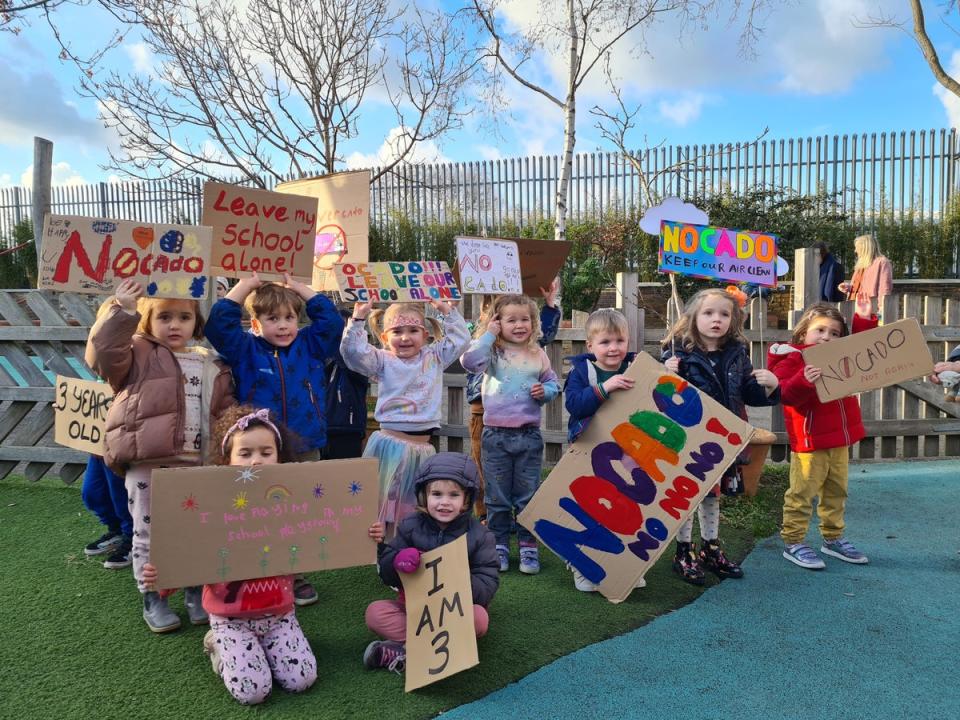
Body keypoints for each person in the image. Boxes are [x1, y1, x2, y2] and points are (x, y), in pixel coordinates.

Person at [85, 279, 235, 632]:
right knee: (148, 534)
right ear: (147, 321)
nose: (174, 324)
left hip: (197, 465)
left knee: (198, 530)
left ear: (195, 323)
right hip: (149, 465)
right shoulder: (136, 353)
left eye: (184, 317)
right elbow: (101, 353)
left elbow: (223, 412)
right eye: (164, 316)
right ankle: (153, 595)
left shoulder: (211, 362)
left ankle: (195, 590)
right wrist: (121, 309)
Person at [142, 406, 317, 705]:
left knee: (302, 679)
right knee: (253, 692)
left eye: (266, 452)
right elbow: (186, 553)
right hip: (230, 618)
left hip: (279, 614)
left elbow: (326, 533)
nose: (256, 461)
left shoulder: (289, 504)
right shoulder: (212, 508)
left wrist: (363, 533)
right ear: (228, 460)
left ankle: (264, 649)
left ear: (279, 457)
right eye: (245, 454)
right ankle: (219, 647)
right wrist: (162, 576)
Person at [205, 271, 344, 606]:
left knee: (298, 513)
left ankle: (294, 575)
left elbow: (332, 322)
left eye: (289, 318)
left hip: (305, 443)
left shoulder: (310, 346)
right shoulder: (245, 350)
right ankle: (258, 570)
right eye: (272, 319)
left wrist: (298, 287)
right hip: (260, 449)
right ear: (255, 323)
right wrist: (247, 285)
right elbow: (218, 326)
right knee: (259, 510)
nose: (283, 326)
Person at [662, 288, 780, 585]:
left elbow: (749, 394)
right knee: (687, 494)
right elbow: (663, 395)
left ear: (734, 319)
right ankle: (683, 552)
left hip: (726, 437)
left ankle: (710, 548)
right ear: (693, 318)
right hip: (690, 436)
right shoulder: (678, 353)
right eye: (709, 313)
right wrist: (666, 372)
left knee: (712, 495)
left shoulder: (738, 353)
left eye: (724, 314)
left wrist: (769, 385)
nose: (717, 319)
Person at [341, 300, 470, 540]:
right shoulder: (382, 360)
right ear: (383, 336)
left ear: (426, 334)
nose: (405, 338)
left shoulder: (435, 357)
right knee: (381, 500)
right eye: (397, 332)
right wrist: (357, 321)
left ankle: (408, 547)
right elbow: (352, 353)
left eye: (413, 331)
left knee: (414, 502)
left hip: (422, 449)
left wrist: (448, 312)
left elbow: (461, 340)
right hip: (388, 445)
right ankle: (383, 551)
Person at [362, 452, 499, 673]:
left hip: (456, 612)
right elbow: (386, 571)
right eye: (436, 494)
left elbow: (488, 583)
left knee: (479, 619)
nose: (444, 502)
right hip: (414, 609)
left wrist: (455, 578)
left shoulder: (480, 535)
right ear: (424, 496)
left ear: (467, 499)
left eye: (454, 495)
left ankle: (403, 652)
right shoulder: (409, 525)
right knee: (375, 613)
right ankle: (427, 649)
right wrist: (397, 560)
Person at [768, 296, 877, 570]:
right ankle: (793, 542)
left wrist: (863, 317)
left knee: (837, 491)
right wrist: (805, 379)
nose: (827, 337)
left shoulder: (840, 355)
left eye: (834, 333)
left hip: (839, 438)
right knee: (802, 493)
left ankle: (833, 538)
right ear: (804, 331)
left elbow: (864, 351)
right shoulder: (791, 357)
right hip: (810, 441)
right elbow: (787, 395)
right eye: (820, 330)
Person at [460, 294, 560, 575]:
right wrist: (489, 336)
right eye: (511, 319)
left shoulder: (537, 352)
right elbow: (469, 362)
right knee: (497, 495)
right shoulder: (492, 352)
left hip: (528, 436)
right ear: (497, 322)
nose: (519, 325)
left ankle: (528, 547)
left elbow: (553, 382)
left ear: (533, 322)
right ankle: (499, 544)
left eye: (525, 319)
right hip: (495, 436)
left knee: (527, 495)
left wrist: (546, 392)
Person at [563, 308, 641, 591]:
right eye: (605, 342)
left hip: (626, 453)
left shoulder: (636, 366)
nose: (613, 348)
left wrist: (667, 370)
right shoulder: (583, 371)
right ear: (590, 345)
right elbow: (574, 405)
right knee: (590, 506)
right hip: (588, 448)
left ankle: (619, 563)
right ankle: (581, 564)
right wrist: (604, 387)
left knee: (623, 505)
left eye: (620, 341)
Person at [322, 305, 371, 460]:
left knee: (347, 480)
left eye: (343, 330)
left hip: (348, 429)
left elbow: (348, 360)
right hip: (319, 429)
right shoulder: (319, 358)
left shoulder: (359, 360)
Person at [81, 455, 134, 569]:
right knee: (91, 493)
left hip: (121, 448)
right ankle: (117, 531)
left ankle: (132, 539)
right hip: (99, 449)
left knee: (121, 496)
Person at [839, 233, 893, 312]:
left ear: (865, 248)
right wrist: (848, 287)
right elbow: (860, 286)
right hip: (854, 306)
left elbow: (885, 288)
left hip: (870, 308)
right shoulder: (861, 264)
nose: (855, 251)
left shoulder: (882, 262)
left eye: (857, 248)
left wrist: (881, 308)